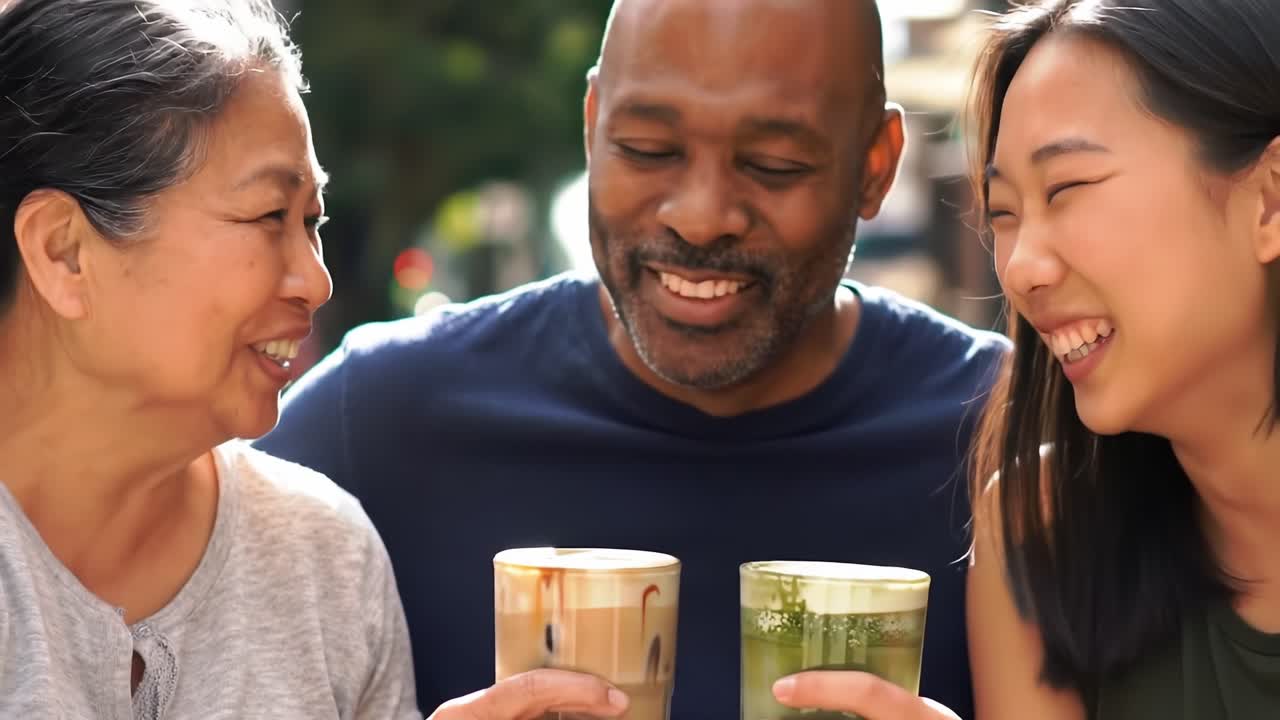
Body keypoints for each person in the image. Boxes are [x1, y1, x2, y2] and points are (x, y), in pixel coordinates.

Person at [257, 0, 1008, 717]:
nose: (702, 214)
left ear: (875, 166)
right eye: (649, 151)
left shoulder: (1009, 434)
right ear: (592, 127)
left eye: (775, 164)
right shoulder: (382, 421)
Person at [0, 1, 420, 717]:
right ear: (63, 252)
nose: (315, 282)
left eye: (312, 223)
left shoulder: (324, 559)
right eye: (268, 217)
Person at [959, 1, 1280, 719]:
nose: (1021, 270)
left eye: (1067, 190)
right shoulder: (1039, 525)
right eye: (1004, 212)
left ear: (1269, 200)